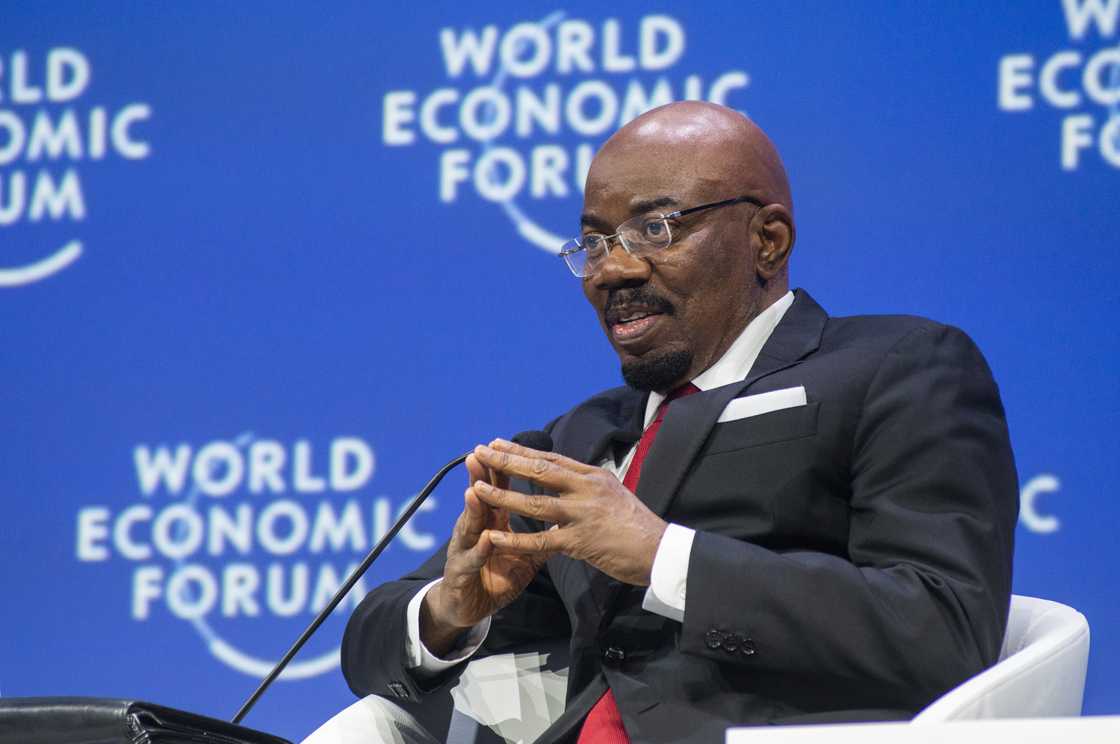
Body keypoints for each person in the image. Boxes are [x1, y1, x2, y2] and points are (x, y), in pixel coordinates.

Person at [340, 101, 1019, 743]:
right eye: (594, 242)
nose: (613, 269)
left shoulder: (893, 369)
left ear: (768, 241)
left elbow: (944, 628)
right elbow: (369, 643)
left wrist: (661, 555)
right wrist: (449, 612)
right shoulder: (578, 440)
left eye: (654, 229)